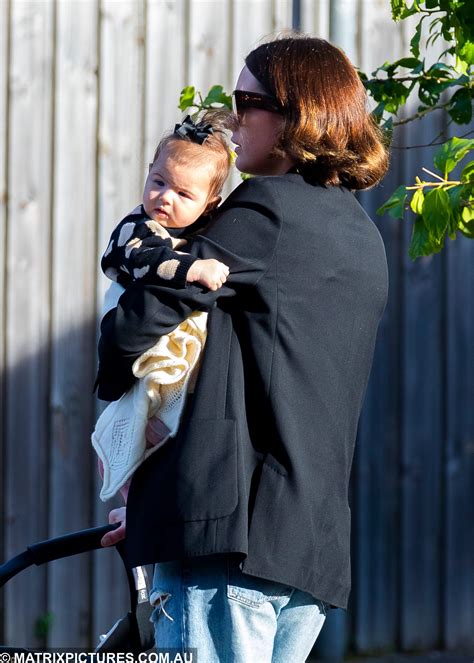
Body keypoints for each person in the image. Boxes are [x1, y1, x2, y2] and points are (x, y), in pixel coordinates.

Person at [96, 34, 389, 662]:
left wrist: (114, 382)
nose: (231, 120)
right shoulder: (363, 235)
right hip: (307, 545)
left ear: (292, 114)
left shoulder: (263, 211)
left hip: (226, 542)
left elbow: (134, 327)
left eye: (244, 101)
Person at [93, 114, 233, 502]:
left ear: (210, 204)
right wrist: (196, 268)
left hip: (156, 338)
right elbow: (151, 264)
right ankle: (125, 482)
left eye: (183, 194)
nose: (164, 198)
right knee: (134, 413)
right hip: (124, 326)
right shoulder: (136, 229)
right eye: (158, 183)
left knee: (162, 412)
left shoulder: (195, 233)